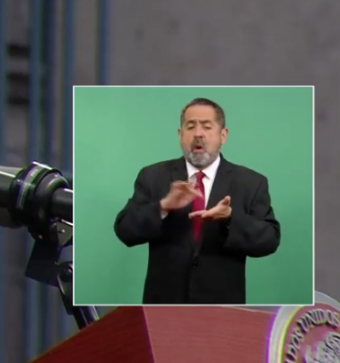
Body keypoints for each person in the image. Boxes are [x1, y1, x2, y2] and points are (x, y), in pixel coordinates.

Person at [112, 97, 281, 304]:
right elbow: (125, 230)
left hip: (222, 306)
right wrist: (163, 206)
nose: (198, 133)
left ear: (223, 135)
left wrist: (230, 217)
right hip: (164, 304)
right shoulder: (153, 176)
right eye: (191, 126)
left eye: (207, 127)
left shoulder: (250, 182)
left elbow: (269, 240)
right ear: (180, 134)